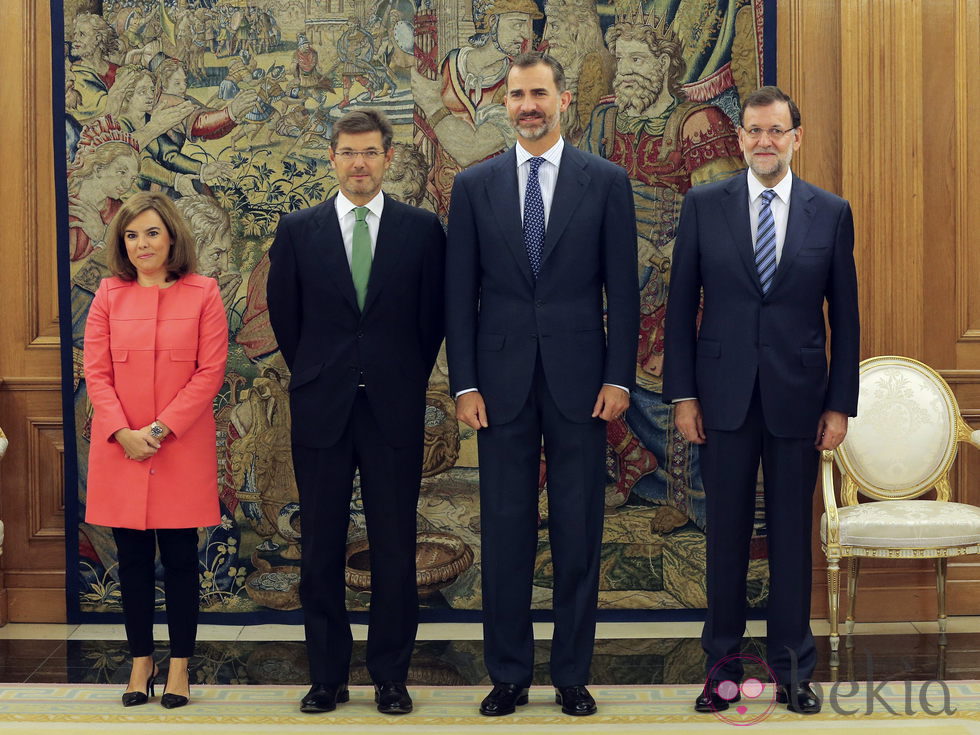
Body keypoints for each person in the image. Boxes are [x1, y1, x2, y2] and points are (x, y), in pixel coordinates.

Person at [445, 52, 639, 717]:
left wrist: (619, 375)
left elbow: (623, 290)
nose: (528, 104)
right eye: (518, 94)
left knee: (579, 532)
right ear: (506, 104)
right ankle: (508, 675)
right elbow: (458, 295)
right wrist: (465, 383)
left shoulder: (606, 181)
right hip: (497, 387)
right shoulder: (474, 187)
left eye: (540, 93)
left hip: (584, 384)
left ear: (563, 100)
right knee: (505, 531)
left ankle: (571, 676)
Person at [662, 86, 860, 715]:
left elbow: (846, 320)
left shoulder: (829, 212)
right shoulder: (703, 205)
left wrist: (840, 404)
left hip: (799, 400)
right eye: (754, 131)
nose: (765, 141)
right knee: (723, 538)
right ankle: (721, 671)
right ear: (740, 138)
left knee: (790, 543)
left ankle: (792, 671)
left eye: (777, 131)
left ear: (796, 138)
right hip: (720, 400)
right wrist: (683, 395)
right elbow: (679, 308)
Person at [267, 110, 445, 716]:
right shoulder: (298, 230)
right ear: (333, 156)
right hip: (322, 407)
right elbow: (286, 320)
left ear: (388, 157)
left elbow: (431, 322)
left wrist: (395, 376)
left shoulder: (422, 230)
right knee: (320, 547)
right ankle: (327, 677)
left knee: (395, 547)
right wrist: (325, 372)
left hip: (393, 407)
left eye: (370, 152)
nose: (359, 163)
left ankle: (391, 676)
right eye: (348, 152)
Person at [83, 191, 228, 709]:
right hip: (121, 450)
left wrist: (160, 431)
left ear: (171, 236)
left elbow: (210, 372)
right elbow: (96, 373)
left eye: (150, 232)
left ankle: (181, 668)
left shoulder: (203, 293)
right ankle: (141, 662)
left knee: (183, 560)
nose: (141, 243)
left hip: (178, 449)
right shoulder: (108, 295)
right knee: (133, 561)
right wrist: (124, 433)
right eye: (131, 235)